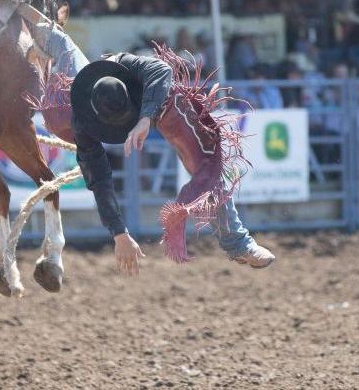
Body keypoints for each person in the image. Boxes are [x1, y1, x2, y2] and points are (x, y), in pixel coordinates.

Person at [69, 53, 275, 276]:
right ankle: (238, 244)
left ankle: (239, 244)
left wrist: (145, 117)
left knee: (207, 163)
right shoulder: (82, 123)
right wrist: (119, 233)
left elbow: (162, 70)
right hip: (142, 104)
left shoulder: (128, 66)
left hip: (159, 101)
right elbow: (98, 179)